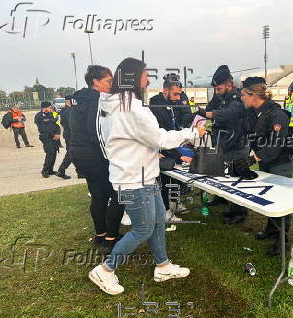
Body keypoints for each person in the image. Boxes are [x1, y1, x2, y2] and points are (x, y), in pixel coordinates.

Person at [88, 57, 206, 295]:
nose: (148, 79)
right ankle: (105, 270)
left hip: (144, 175)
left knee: (159, 221)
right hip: (133, 179)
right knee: (143, 229)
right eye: (144, 75)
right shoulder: (129, 107)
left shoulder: (120, 103)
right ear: (133, 79)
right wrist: (192, 133)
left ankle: (162, 266)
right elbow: (159, 138)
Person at [69, 65, 125, 254]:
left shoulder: (79, 99)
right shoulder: (94, 100)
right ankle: (111, 238)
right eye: (108, 81)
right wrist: (112, 154)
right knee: (118, 193)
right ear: (96, 82)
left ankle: (100, 235)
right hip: (93, 154)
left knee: (98, 194)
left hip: (79, 152)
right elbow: (96, 133)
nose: (112, 84)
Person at [241, 77, 293, 256]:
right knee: (270, 196)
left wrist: (254, 159)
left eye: (243, 95)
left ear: (253, 95)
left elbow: (276, 144)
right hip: (266, 162)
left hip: (280, 162)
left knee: (282, 199)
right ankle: (272, 228)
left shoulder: (276, 114)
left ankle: (283, 238)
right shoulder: (255, 113)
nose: (242, 98)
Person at [198, 65, 251, 224]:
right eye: (214, 88)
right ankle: (221, 198)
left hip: (237, 144)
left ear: (229, 85)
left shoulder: (238, 98)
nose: (216, 91)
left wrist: (205, 113)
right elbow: (210, 108)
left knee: (237, 179)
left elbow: (227, 114)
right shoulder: (219, 96)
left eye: (219, 88)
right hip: (222, 142)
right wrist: (211, 106)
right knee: (222, 174)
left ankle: (239, 211)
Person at [149, 73, 194, 221]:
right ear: (165, 90)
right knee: (165, 180)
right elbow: (162, 138)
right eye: (175, 94)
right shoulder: (156, 107)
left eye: (179, 95)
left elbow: (173, 130)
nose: (177, 98)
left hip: (171, 147)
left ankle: (175, 202)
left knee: (175, 178)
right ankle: (166, 211)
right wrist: (178, 155)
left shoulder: (171, 104)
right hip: (161, 150)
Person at [34, 101, 60, 178]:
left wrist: (58, 133)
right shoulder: (39, 116)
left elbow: (56, 125)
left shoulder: (51, 114)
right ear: (44, 108)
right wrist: (53, 134)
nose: (51, 108)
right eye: (49, 107)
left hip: (54, 136)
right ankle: (45, 170)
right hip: (46, 137)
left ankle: (50, 170)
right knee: (50, 153)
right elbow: (45, 128)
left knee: (54, 152)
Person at [55, 95, 74, 179]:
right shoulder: (69, 110)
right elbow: (71, 123)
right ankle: (61, 170)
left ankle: (80, 172)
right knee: (71, 153)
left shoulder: (63, 110)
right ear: (69, 101)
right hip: (72, 135)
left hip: (68, 134)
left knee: (74, 153)